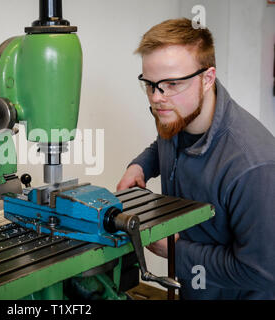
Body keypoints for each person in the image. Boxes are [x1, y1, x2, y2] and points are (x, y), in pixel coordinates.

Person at [116, 18, 275, 299]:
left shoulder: (253, 166)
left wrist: (177, 250)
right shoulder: (177, 113)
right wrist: (141, 164)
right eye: (149, 84)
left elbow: (262, 271)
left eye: (172, 83)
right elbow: (165, 141)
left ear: (207, 78)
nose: (156, 98)